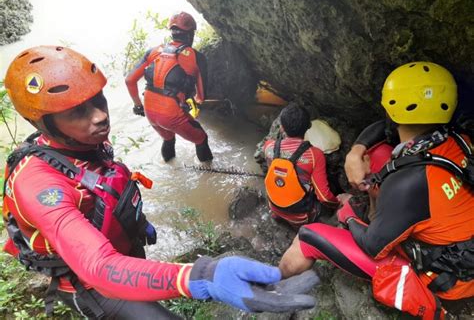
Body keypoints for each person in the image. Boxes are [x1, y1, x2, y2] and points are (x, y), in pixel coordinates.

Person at [2, 46, 319, 319]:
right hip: (92, 284)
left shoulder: (81, 145)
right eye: (77, 111)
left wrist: (137, 224)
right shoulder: (38, 183)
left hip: (123, 251)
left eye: (99, 100)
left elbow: (105, 193)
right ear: (42, 122)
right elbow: (97, 267)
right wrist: (203, 275)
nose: (100, 116)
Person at [278, 62, 474, 319]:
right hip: (458, 243)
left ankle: (275, 286)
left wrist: (347, 213)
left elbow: (373, 246)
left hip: (448, 280)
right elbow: (383, 128)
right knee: (379, 152)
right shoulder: (459, 138)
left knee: (307, 236)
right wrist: (357, 150)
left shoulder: (407, 183)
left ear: (391, 108)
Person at [125, 11, 213, 163]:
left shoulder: (154, 51)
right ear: (190, 34)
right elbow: (201, 96)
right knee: (201, 138)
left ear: (172, 33)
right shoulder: (196, 57)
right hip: (171, 114)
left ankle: (170, 166)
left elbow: (129, 80)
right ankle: (209, 174)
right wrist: (195, 101)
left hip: (149, 111)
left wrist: (138, 105)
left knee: (168, 138)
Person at [263, 103, 339, 228]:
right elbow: (325, 197)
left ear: (281, 127)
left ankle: (278, 215)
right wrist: (337, 203)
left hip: (274, 206)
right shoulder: (315, 155)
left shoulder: (269, 146)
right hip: (300, 217)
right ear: (308, 127)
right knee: (332, 186)